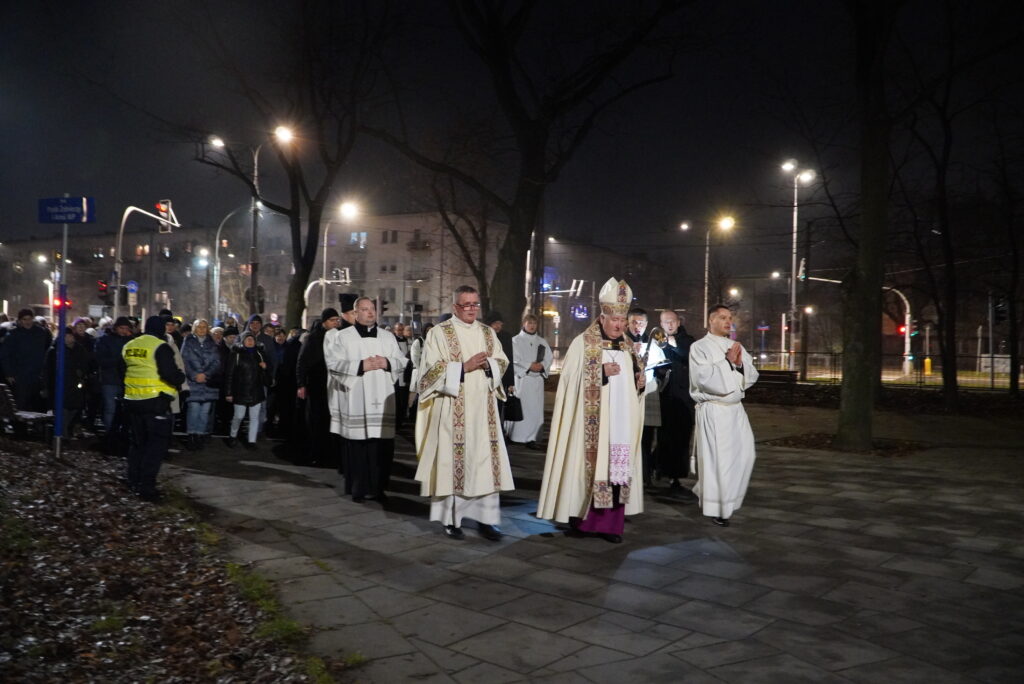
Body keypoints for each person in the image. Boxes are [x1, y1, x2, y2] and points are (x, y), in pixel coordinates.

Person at [537, 278, 645, 544]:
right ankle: (582, 522)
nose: (619, 325)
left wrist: (639, 382)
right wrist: (599, 373)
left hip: (621, 424)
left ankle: (611, 527)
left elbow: (635, 386)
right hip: (592, 426)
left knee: (616, 471)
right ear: (602, 316)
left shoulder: (630, 347)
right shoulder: (583, 344)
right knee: (590, 469)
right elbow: (569, 382)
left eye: (623, 320)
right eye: (614, 320)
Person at [414, 285, 513, 541]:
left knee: (483, 465)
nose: (471, 309)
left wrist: (491, 364)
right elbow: (428, 374)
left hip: (484, 412)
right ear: (455, 307)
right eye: (465, 305)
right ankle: (452, 520)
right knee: (453, 463)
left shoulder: (488, 333)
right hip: (452, 409)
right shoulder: (439, 333)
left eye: (474, 304)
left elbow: (502, 361)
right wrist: (463, 367)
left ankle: (486, 520)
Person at [324, 297, 407, 502]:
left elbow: (402, 361)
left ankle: (378, 489)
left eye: (372, 309)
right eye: (364, 309)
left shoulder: (388, 337)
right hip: (357, 398)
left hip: (382, 397)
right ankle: (358, 488)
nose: (370, 313)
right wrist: (360, 366)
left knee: (381, 446)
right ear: (356, 313)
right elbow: (333, 363)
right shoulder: (343, 337)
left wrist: (386, 362)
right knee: (358, 446)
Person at [689, 304, 759, 526]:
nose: (728, 322)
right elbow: (704, 378)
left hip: (735, 410)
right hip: (715, 409)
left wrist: (739, 366)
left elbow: (751, 374)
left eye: (730, 318)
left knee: (746, 454)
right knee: (720, 461)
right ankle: (718, 508)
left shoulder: (735, 345)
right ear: (711, 321)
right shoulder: (699, 347)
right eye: (722, 318)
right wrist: (727, 362)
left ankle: (725, 498)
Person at [118, 315, 186, 501]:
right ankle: (147, 488)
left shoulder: (130, 345)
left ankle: (133, 480)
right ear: (160, 329)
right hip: (156, 402)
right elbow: (169, 373)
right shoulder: (160, 346)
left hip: (132, 400)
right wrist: (180, 378)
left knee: (137, 444)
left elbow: (122, 370)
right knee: (155, 447)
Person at [654, 309, 699, 502]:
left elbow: (687, 357)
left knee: (681, 439)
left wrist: (671, 345)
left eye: (672, 321)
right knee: (664, 437)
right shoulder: (657, 342)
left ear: (678, 322)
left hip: (684, 399)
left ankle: (676, 479)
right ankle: (659, 470)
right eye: (665, 322)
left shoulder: (689, 341)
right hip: (664, 397)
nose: (669, 325)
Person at [296, 308, 342, 466]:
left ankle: (329, 453)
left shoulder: (339, 337)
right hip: (316, 385)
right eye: (332, 320)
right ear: (324, 322)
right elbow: (302, 362)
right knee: (316, 421)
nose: (336, 323)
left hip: (333, 385)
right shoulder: (313, 338)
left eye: (337, 320)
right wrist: (301, 383)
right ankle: (315, 453)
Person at [626, 307, 665, 486]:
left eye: (641, 323)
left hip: (648, 391)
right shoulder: (622, 341)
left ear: (646, 324)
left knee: (647, 436)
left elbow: (662, 366)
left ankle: (645, 474)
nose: (637, 326)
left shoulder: (654, 342)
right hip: (627, 393)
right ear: (628, 322)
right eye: (634, 322)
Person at [506, 314, 552, 448]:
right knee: (521, 408)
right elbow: (514, 359)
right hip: (523, 380)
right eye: (529, 323)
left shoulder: (542, 341)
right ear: (524, 324)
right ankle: (515, 435)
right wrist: (528, 365)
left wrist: (542, 365)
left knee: (535, 411)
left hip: (536, 381)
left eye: (534, 323)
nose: (532, 326)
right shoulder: (515, 341)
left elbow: (548, 358)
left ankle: (532, 438)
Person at [42, 326, 96, 437]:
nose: (68, 338)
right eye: (65, 336)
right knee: (62, 410)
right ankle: (62, 435)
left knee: (73, 409)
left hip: (75, 385)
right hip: (60, 385)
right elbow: (48, 370)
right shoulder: (54, 350)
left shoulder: (79, 349)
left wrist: (82, 373)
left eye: (70, 336)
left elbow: (87, 364)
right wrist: (46, 386)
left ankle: (64, 433)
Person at [224, 331, 272, 449]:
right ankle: (233, 435)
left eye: (252, 339)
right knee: (238, 416)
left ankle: (251, 441)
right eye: (247, 339)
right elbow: (229, 375)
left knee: (254, 417)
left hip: (256, 391)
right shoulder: (236, 355)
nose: (250, 341)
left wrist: (265, 368)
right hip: (240, 391)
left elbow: (267, 378)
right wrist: (228, 392)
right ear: (243, 341)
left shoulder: (260, 354)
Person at [180, 319, 222, 450]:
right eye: (199, 327)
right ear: (194, 329)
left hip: (207, 382)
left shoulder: (212, 343)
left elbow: (216, 362)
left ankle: (200, 435)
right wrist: (194, 375)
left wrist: (206, 374)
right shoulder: (188, 341)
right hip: (193, 382)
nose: (202, 329)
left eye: (204, 327)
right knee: (194, 409)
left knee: (205, 411)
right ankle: (191, 435)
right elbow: (184, 360)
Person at [0, 308, 52, 411]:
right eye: (24, 319)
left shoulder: (41, 333)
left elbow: (46, 351)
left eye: (29, 319)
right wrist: (9, 373)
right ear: (20, 320)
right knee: (21, 406)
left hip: (37, 376)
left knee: (38, 406)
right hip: (20, 376)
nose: (27, 322)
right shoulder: (13, 334)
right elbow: (4, 355)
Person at [94, 316, 134, 432]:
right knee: (110, 408)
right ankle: (111, 433)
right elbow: (100, 359)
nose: (124, 331)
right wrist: (119, 360)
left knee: (123, 409)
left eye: (126, 328)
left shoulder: (131, 341)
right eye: (122, 328)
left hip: (126, 380)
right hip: (110, 379)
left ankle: (120, 433)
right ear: (116, 328)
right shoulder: (105, 340)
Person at [483, 311, 516, 425]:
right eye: (495, 323)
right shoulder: (482, 336)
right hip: (486, 378)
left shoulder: (506, 337)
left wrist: (511, 382)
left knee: (499, 408)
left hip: (502, 379)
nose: (498, 326)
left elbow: (509, 358)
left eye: (500, 324)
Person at [392, 322, 411, 430]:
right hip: (397, 374)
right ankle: (396, 421)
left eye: (401, 329)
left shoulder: (408, 340)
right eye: (398, 330)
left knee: (404, 398)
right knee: (397, 399)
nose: (400, 331)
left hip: (406, 373)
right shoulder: (392, 341)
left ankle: (402, 418)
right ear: (395, 330)